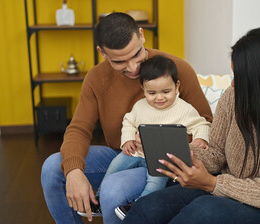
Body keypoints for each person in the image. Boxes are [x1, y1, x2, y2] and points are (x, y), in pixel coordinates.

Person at [122, 26, 260, 224]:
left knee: (203, 212)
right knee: (149, 206)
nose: (233, 84)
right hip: (231, 188)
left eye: (240, 78)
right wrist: (175, 149)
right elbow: (216, 153)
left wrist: (211, 184)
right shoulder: (236, 95)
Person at [40, 12, 212, 224]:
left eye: (136, 54)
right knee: (52, 169)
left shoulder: (176, 70)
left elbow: (205, 123)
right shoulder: (96, 78)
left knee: (113, 189)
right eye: (120, 61)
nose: (133, 68)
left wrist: (162, 140)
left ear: (141, 36)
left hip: (164, 163)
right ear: (102, 53)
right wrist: (74, 171)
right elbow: (78, 129)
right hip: (124, 153)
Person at [78, 55, 211, 219]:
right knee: (114, 165)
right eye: (152, 93)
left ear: (176, 87)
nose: (159, 98)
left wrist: (200, 140)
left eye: (166, 92)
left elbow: (202, 124)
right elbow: (129, 121)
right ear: (143, 88)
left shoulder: (184, 109)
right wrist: (127, 139)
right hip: (137, 152)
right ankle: (99, 201)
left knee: (156, 181)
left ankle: (139, 204)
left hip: (162, 159)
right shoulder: (140, 106)